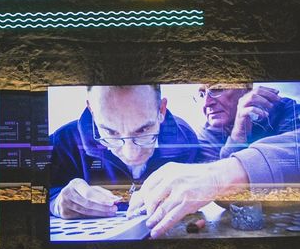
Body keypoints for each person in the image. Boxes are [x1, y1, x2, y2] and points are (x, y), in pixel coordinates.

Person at [130, 82, 300, 239]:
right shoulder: (207, 134)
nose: (206, 104)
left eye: (216, 89)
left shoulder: (280, 107)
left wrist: (221, 175)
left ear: (247, 88)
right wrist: (238, 136)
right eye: (202, 94)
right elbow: (221, 199)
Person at [49, 84, 219, 219]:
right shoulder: (64, 141)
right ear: (92, 110)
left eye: (144, 130)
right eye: (110, 132)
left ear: (162, 110)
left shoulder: (185, 139)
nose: (131, 154)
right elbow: (29, 196)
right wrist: (54, 201)